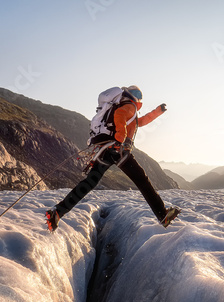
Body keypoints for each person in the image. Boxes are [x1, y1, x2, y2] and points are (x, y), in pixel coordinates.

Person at [45, 85, 180, 231]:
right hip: (118, 150)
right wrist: (121, 139)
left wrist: (157, 112)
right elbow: (120, 116)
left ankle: (58, 212)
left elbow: (140, 122)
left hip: (106, 150)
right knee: (142, 180)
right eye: (136, 94)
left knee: (89, 182)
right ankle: (162, 215)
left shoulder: (124, 108)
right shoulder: (129, 107)